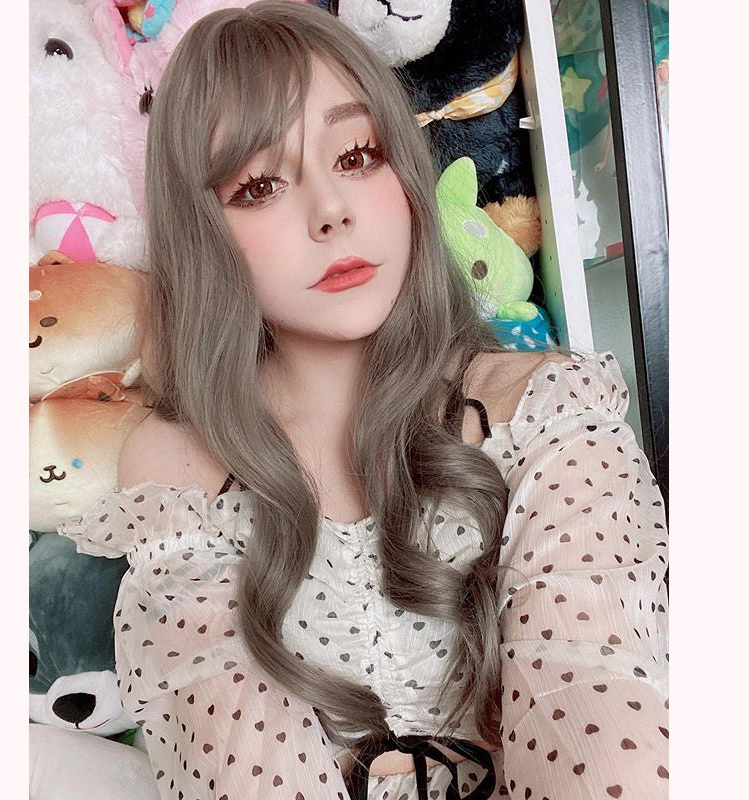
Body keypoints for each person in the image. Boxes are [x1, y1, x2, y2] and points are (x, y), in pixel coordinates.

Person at [58, 2, 669, 799]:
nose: (332, 211)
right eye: (259, 185)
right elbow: (242, 768)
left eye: (356, 156)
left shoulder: (550, 409)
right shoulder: (178, 475)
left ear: (404, 172)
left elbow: (598, 716)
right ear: (202, 229)